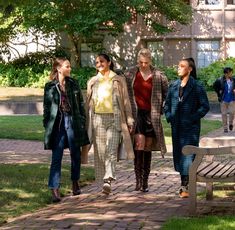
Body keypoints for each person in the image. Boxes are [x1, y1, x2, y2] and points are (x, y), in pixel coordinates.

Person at [86, 53, 134, 194]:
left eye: (101, 61)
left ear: (109, 62)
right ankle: (103, 181)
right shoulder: (92, 81)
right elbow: (88, 103)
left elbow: (126, 100)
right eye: (97, 62)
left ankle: (108, 179)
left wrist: (130, 119)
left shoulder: (118, 80)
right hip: (98, 119)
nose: (99, 64)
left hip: (115, 118)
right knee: (100, 152)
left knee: (111, 149)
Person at [43, 57, 90, 202]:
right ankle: (54, 189)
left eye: (69, 66)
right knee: (56, 157)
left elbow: (81, 106)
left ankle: (75, 182)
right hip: (58, 125)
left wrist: (82, 121)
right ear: (59, 68)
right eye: (67, 66)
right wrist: (47, 125)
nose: (70, 69)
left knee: (75, 155)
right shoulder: (50, 86)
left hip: (73, 122)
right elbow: (46, 108)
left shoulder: (73, 84)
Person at [164, 57, 209, 198]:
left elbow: (205, 106)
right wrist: (170, 117)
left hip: (190, 128)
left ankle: (186, 186)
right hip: (176, 127)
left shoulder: (197, 86)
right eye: (178, 65)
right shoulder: (173, 85)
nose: (178, 68)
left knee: (188, 155)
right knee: (179, 156)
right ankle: (185, 184)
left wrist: (192, 118)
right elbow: (166, 104)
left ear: (190, 69)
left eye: (182, 66)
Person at [124, 48, 168, 192]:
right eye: (141, 62)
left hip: (152, 115)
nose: (143, 65)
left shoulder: (158, 75)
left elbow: (166, 95)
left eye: (146, 62)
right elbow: (123, 92)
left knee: (148, 148)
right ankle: (138, 180)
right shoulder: (130, 74)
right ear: (138, 61)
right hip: (137, 115)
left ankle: (145, 182)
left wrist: (161, 110)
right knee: (139, 146)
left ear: (150, 61)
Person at [213, 67, 235, 133]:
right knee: (224, 114)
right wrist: (218, 92)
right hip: (223, 100)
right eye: (230, 73)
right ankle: (225, 128)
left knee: (232, 112)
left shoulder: (234, 80)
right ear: (226, 74)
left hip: (232, 99)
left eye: (231, 72)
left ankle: (230, 124)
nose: (231, 74)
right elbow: (215, 86)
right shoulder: (220, 80)